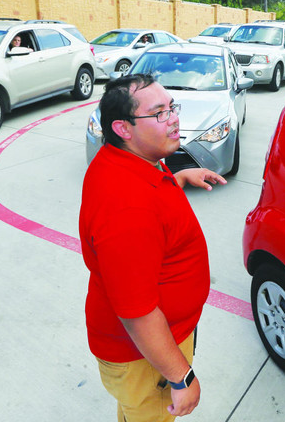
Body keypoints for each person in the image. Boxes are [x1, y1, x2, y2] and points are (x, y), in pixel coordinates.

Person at [79, 73, 226, 421]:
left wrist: (177, 179)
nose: (174, 118)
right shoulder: (126, 208)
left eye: (172, 107)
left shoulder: (134, 160)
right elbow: (137, 313)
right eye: (159, 113)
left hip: (154, 344)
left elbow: (150, 219)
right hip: (142, 357)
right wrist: (182, 377)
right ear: (123, 128)